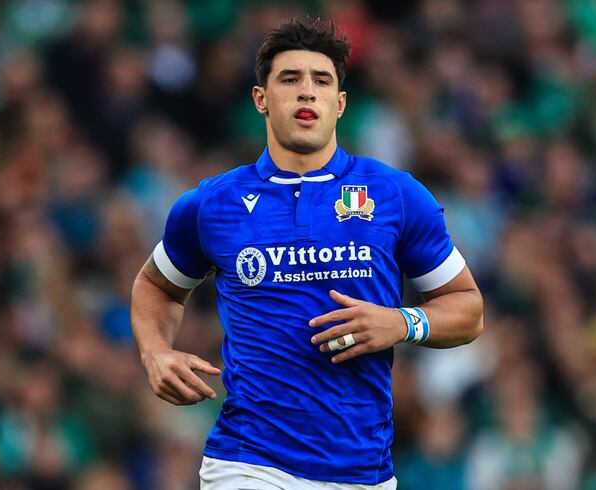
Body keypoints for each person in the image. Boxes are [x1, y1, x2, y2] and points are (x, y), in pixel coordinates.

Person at [130, 18, 484, 489]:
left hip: (363, 471)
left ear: (339, 104)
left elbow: (468, 309)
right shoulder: (213, 204)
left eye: (321, 81)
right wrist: (156, 352)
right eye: (290, 79)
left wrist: (402, 322)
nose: (306, 92)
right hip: (248, 463)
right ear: (262, 99)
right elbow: (156, 286)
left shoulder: (396, 195)